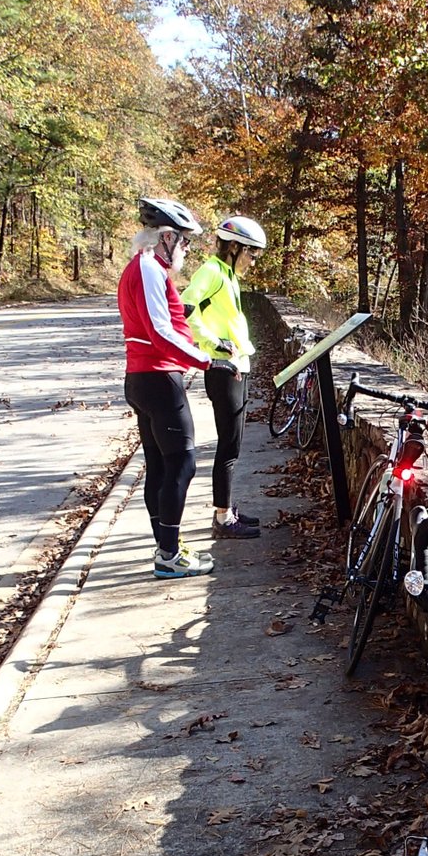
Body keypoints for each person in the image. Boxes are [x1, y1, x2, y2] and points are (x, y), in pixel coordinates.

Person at [118, 196, 215, 579]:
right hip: (158, 378)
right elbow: (159, 331)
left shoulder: (145, 267)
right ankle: (169, 556)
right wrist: (207, 361)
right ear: (167, 237)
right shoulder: (148, 268)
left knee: (159, 466)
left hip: (144, 378)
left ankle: (167, 548)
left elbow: (157, 320)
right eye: (185, 241)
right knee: (182, 464)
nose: (187, 249)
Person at [181, 216, 267, 539]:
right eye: (251, 254)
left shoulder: (228, 276)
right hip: (223, 369)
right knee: (228, 446)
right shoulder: (212, 272)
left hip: (237, 367)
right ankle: (223, 518)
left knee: (234, 444)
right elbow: (185, 307)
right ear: (234, 247)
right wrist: (213, 342)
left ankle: (227, 509)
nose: (253, 262)